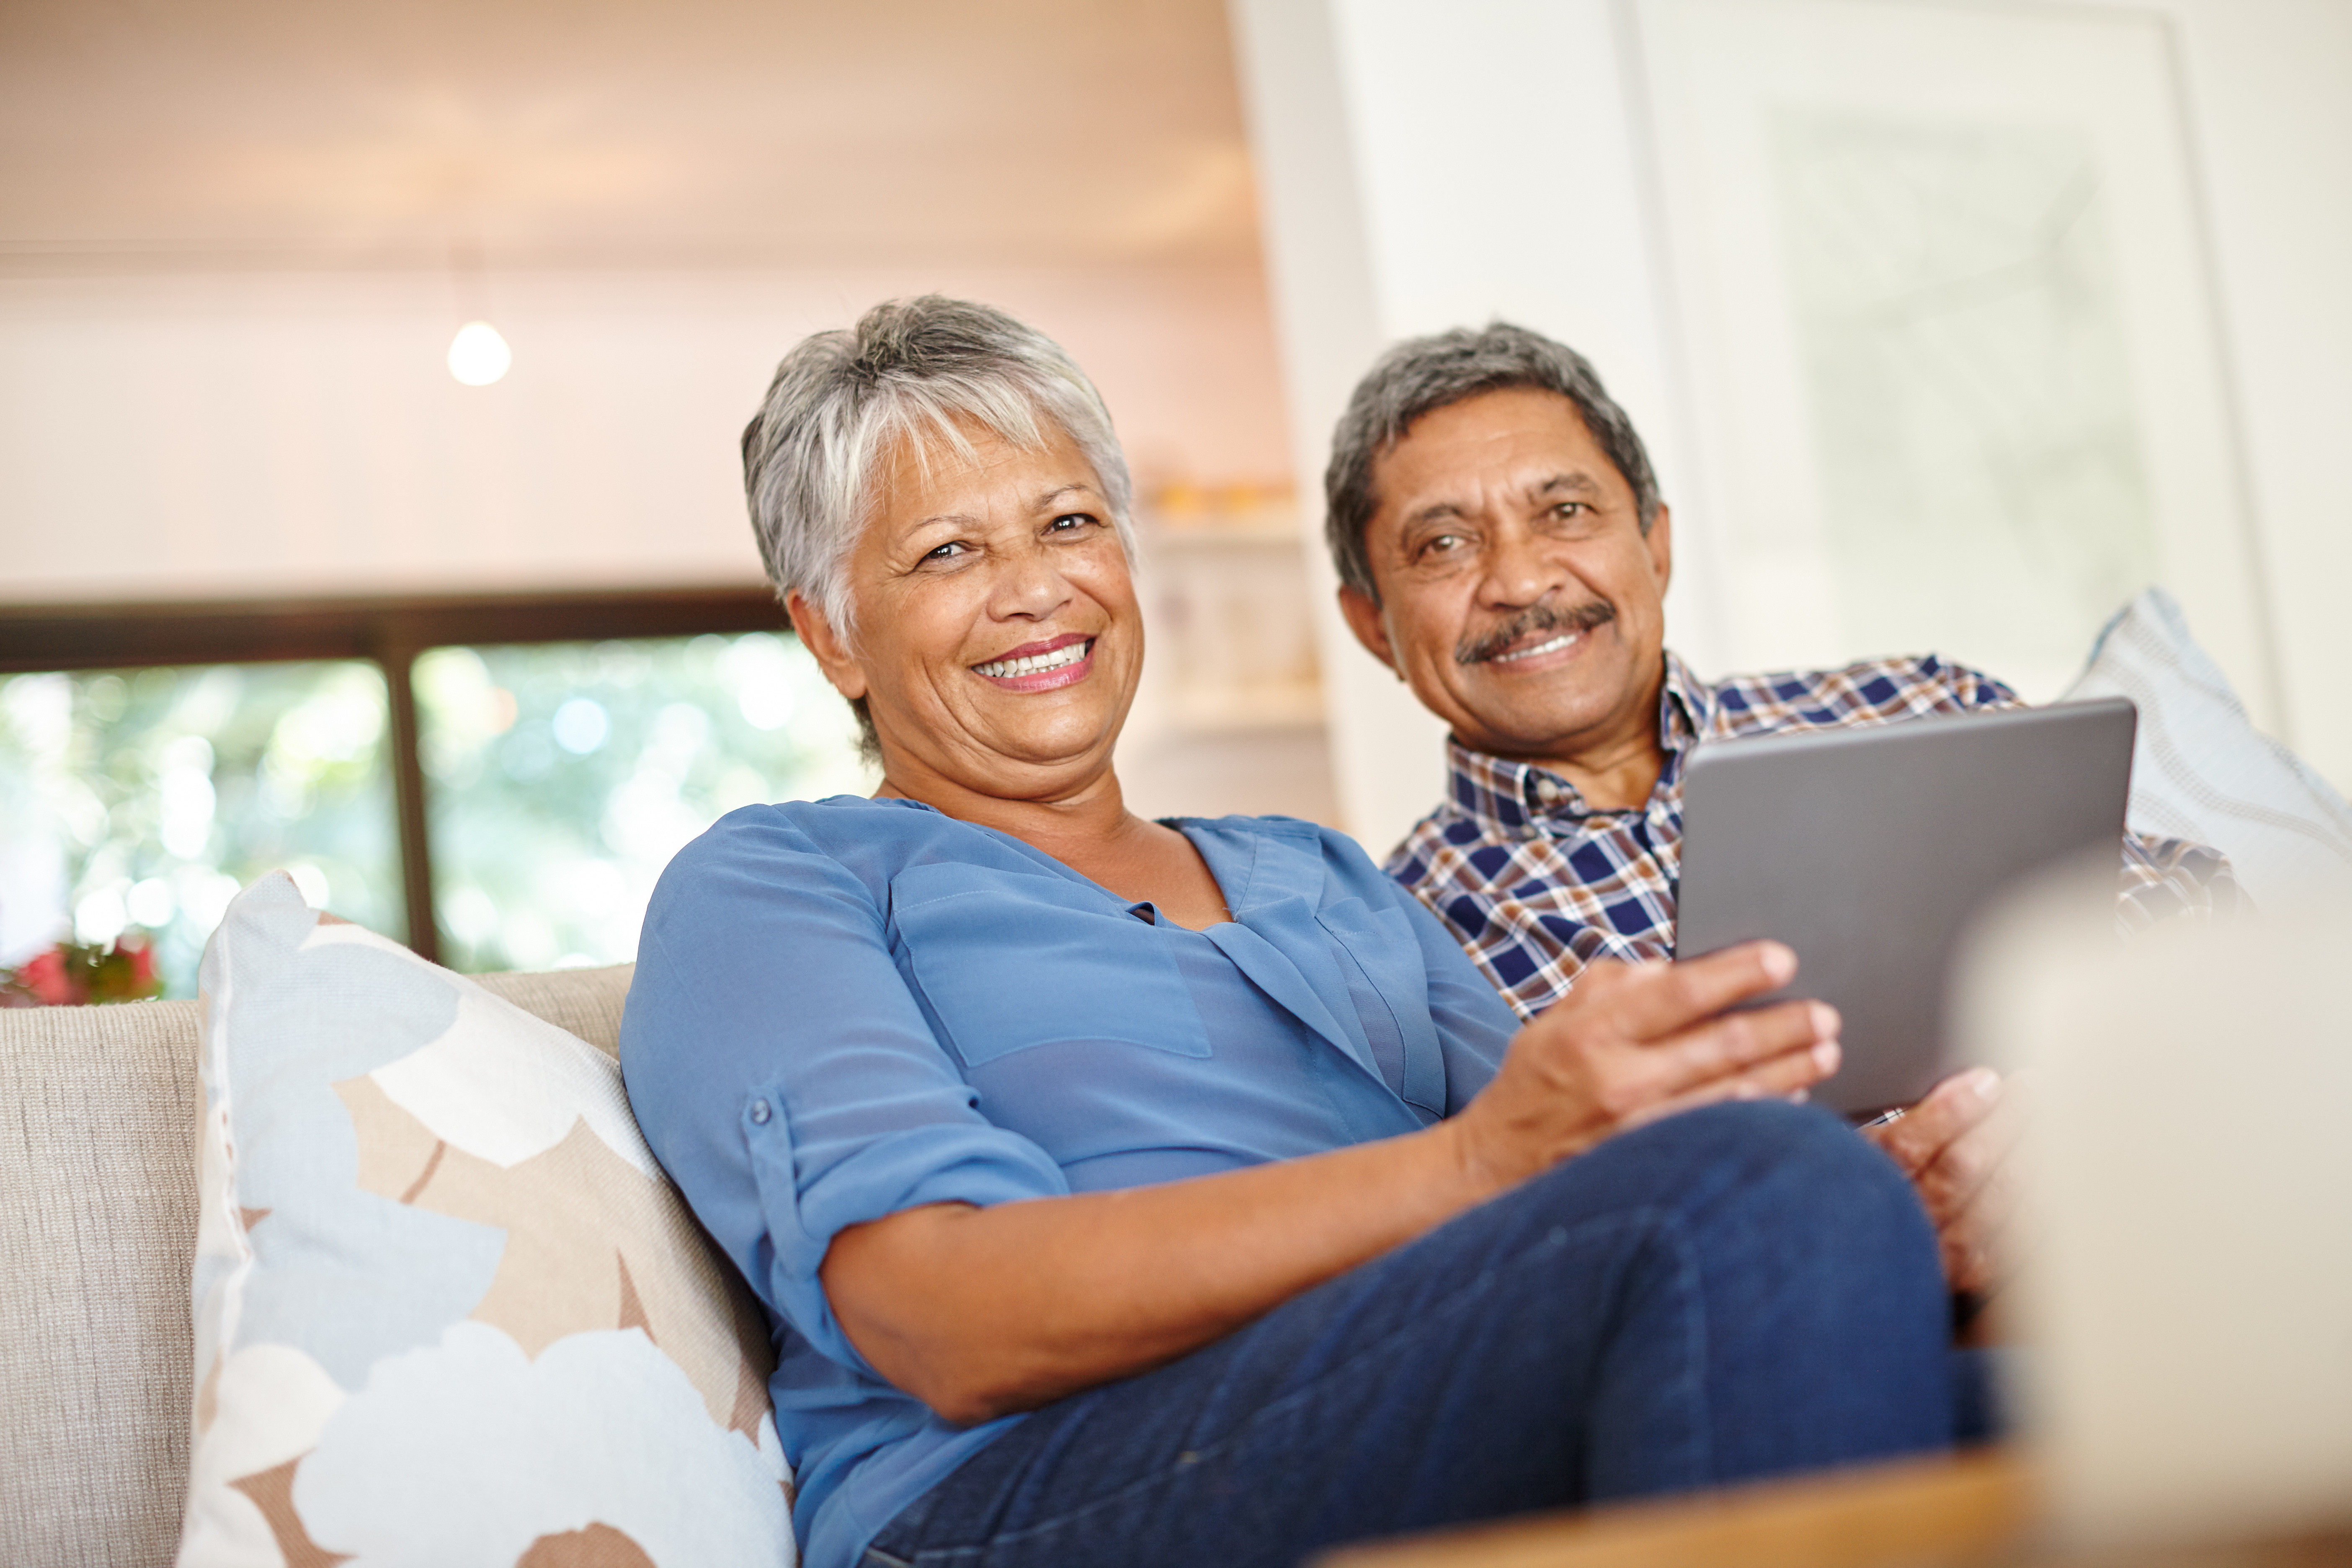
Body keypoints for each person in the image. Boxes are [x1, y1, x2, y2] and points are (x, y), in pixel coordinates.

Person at [621, 297, 1964, 1568]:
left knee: (1986, 1381)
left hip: (1388, 1394)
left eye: (1069, 522)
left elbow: (1594, 1191)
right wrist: (1478, 1166)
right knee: (1762, 1191)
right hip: (1011, 1492)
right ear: (832, 634)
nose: (1035, 590)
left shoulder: (1315, 874)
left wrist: (1899, 1205)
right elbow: (943, 1317)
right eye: (948, 553)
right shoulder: (781, 883)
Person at [1323, 322, 2236, 1300]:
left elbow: (2199, 911)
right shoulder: (1389, 946)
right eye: (1445, 543)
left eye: (1567, 511)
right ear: (1372, 622)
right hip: (1817, 1332)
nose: (1521, 580)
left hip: (2147, 1226)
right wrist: (1860, 1213)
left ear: (1655, 544)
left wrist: (2040, 1115)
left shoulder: (1911, 708)